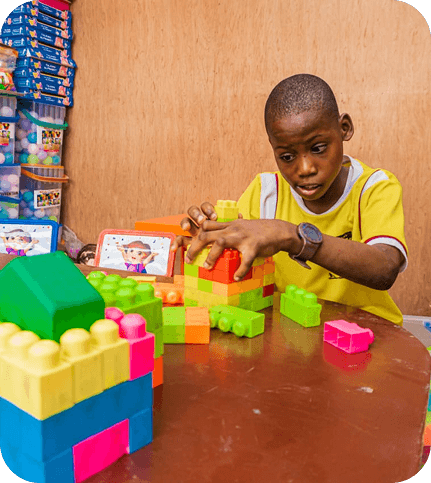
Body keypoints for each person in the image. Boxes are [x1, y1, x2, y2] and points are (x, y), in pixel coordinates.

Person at [172, 74, 407, 325]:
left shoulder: (374, 187)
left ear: (344, 128)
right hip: (292, 335)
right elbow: (236, 260)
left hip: (370, 334)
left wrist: (292, 236)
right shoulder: (265, 192)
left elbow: (385, 268)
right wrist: (208, 239)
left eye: (318, 148)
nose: (305, 168)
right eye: (286, 156)